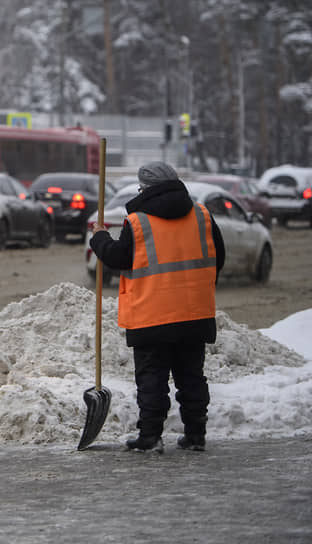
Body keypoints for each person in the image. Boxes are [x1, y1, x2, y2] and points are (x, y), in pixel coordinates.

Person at [89, 161, 225, 453]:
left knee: (152, 380)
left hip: (152, 315)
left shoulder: (138, 223)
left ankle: (150, 437)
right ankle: (196, 436)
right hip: (194, 313)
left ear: (145, 189)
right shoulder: (201, 216)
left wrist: (99, 238)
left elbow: (118, 258)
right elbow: (219, 257)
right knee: (192, 377)